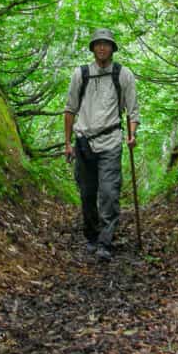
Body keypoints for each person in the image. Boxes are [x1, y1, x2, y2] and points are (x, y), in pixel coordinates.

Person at [63, 28, 139, 261]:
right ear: (93, 47)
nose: (102, 47)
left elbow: (132, 110)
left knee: (108, 192)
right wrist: (67, 143)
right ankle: (91, 236)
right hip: (83, 141)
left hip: (111, 141)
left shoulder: (123, 74)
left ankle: (105, 241)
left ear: (113, 48)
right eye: (98, 44)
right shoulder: (81, 74)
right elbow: (70, 109)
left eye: (107, 44)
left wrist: (132, 134)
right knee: (87, 193)